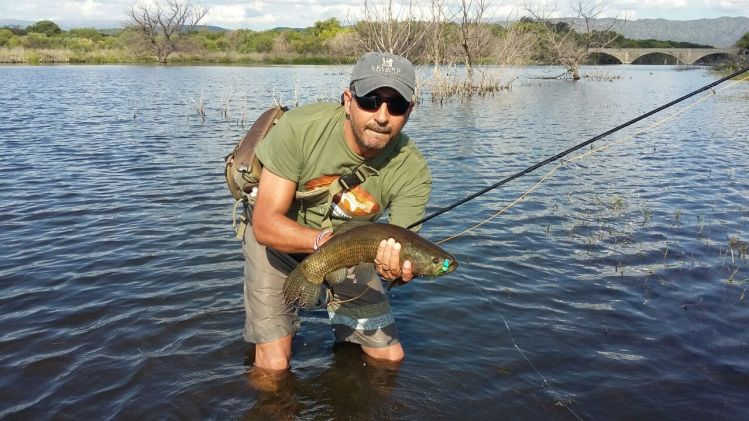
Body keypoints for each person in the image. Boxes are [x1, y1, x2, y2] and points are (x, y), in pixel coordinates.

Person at [243, 51, 432, 371]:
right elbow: (265, 224)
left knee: (390, 359)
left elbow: (404, 248)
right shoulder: (300, 129)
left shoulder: (412, 170)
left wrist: (394, 272)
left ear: (409, 111)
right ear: (348, 100)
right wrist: (323, 243)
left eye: (396, 105)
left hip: (352, 252)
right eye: (370, 101)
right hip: (277, 242)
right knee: (274, 366)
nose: (382, 116)